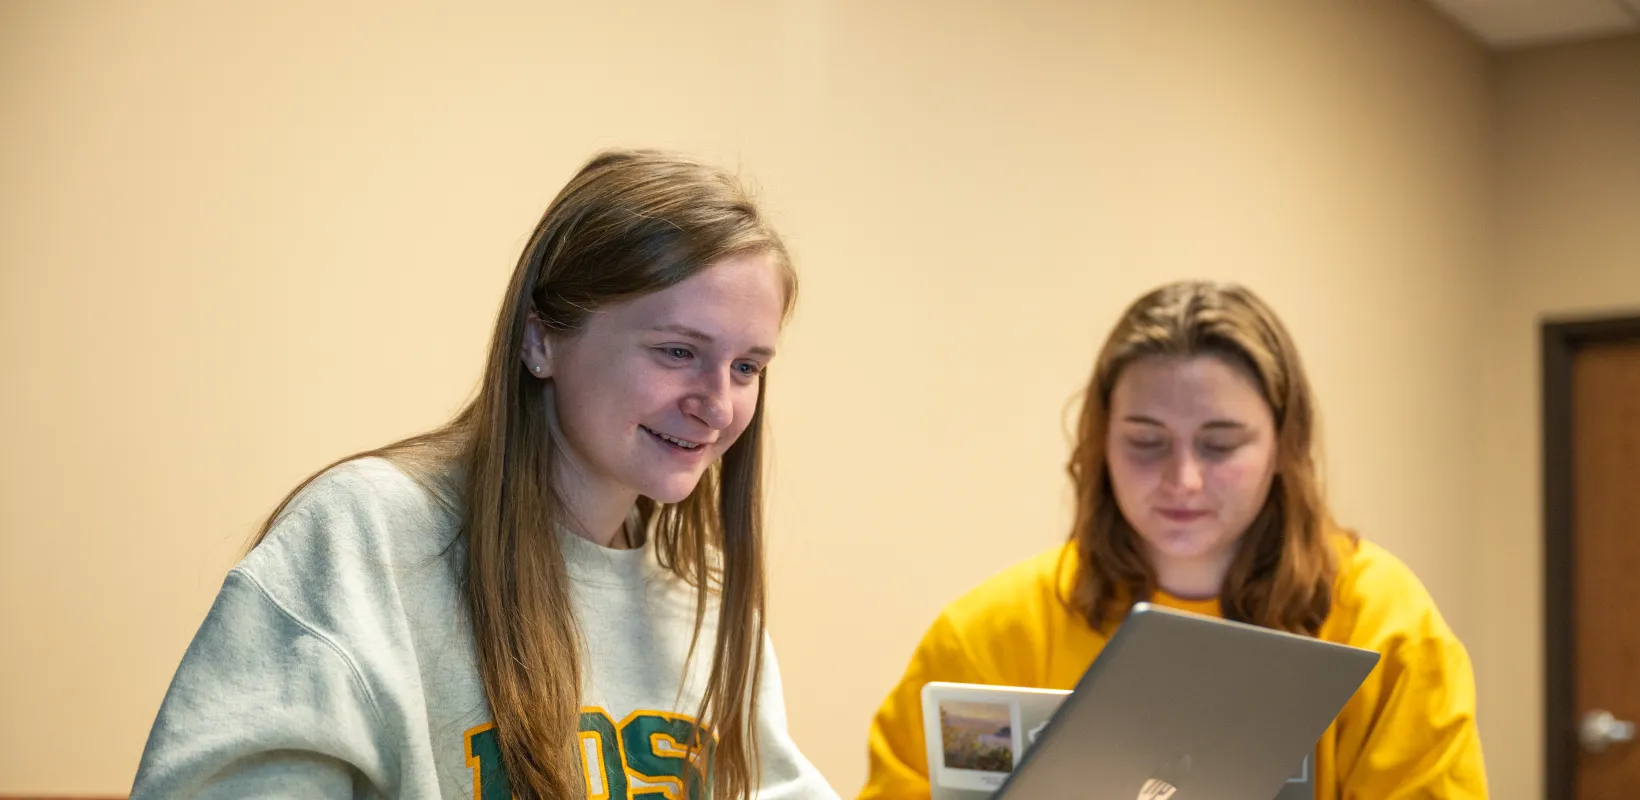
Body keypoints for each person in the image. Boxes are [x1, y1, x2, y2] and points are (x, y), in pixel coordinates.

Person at [133, 149, 839, 800]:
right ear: (540, 339)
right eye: (678, 352)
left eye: (747, 366)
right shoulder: (366, 536)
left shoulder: (702, 596)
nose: (717, 402)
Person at [858, 280, 1487, 799]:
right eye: (1146, 441)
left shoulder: (1387, 627)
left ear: (1282, 447)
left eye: (1220, 444)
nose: (1183, 480)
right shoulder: (987, 635)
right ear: (1099, 444)